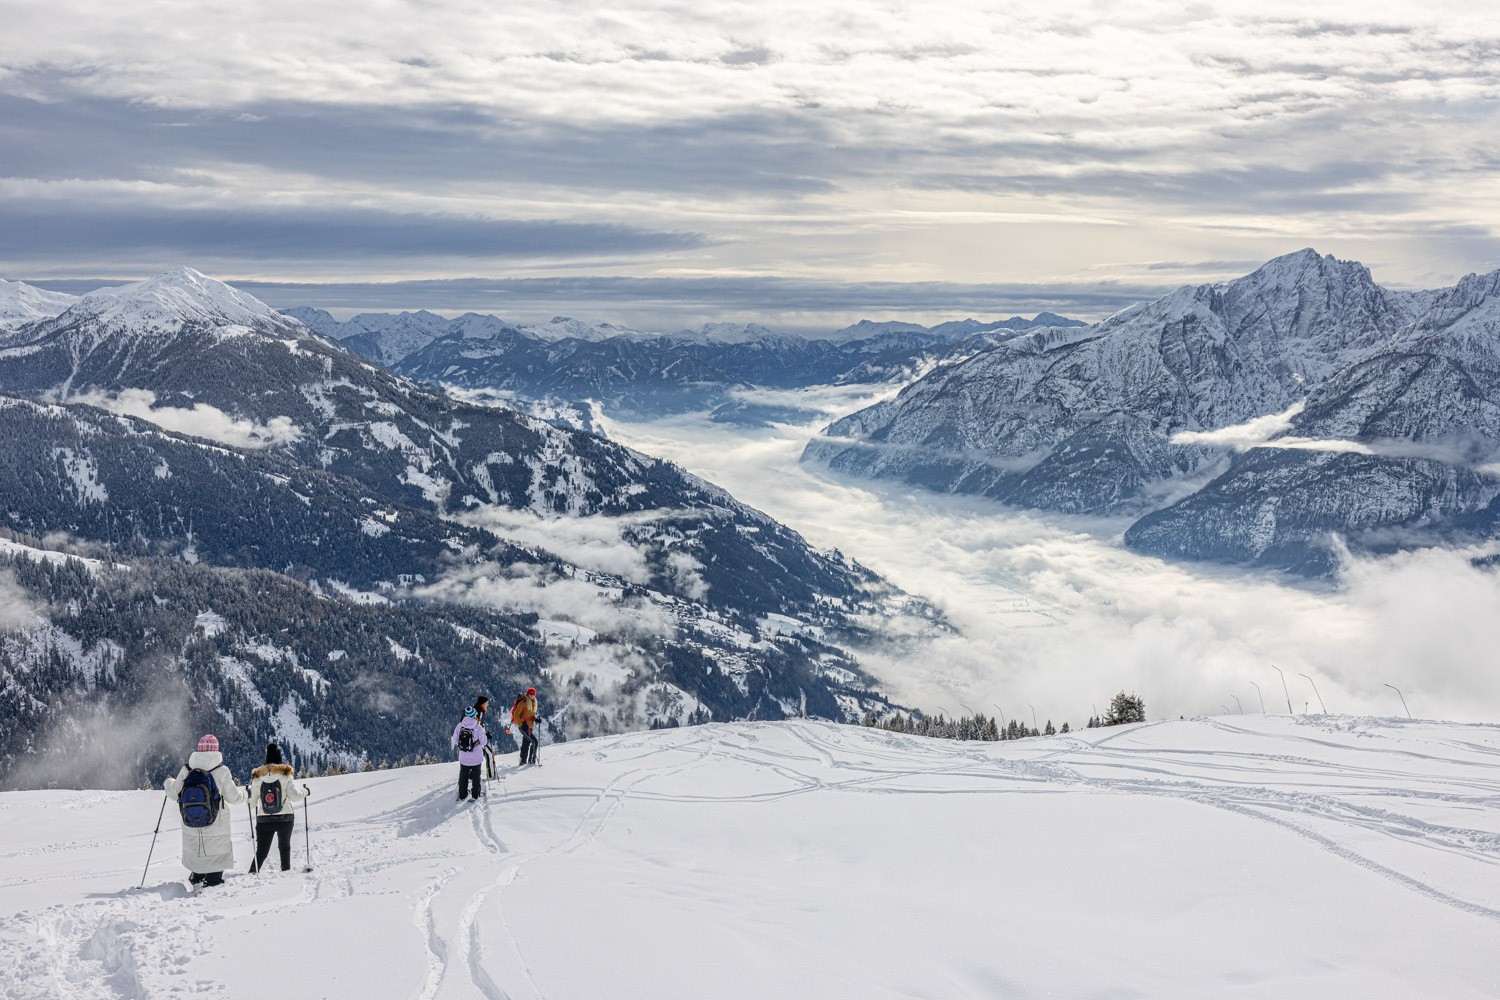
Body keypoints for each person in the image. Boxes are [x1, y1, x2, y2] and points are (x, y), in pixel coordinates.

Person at [163, 734, 246, 887]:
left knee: (197, 854)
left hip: (191, 822)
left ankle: (196, 880)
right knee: (216, 857)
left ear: (199, 749)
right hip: (216, 823)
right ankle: (212, 889)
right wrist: (246, 794)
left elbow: (173, 794)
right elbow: (233, 798)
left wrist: (169, 782)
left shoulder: (187, 769)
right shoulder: (222, 771)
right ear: (216, 750)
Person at [249, 742, 308, 873]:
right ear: (279, 759)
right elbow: (294, 797)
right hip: (285, 818)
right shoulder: (286, 775)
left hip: (264, 819)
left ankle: (252, 873)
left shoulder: (257, 777)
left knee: (262, 850)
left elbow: (252, 803)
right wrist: (305, 791)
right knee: (284, 848)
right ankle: (285, 873)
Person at [452, 706, 488, 801]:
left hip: (463, 758)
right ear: (474, 715)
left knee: (463, 776)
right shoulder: (478, 727)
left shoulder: (460, 726)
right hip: (476, 758)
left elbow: (455, 740)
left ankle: (462, 795)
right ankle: (475, 795)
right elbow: (484, 742)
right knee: (476, 776)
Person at [512, 687, 540, 767]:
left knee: (526, 743)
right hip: (524, 727)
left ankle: (522, 761)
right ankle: (531, 761)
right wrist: (521, 724)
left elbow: (531, 715)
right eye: (531, 694)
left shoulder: (533, 702)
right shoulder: (523, 702)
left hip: (529, 727)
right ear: (527, 694)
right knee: (534, 742)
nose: (532, 695)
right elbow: (516, 714)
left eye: (533, 694)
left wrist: (536, 719)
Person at [474, 695, 496, 779]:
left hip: (474, 739)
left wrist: (485, 733)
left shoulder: (476, 710)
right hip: (479, 740)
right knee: (490, 754)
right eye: (487, 703)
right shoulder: (479, 712)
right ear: (482, 704)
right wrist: (485, 735)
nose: (488, 705)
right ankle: (491, 776)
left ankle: (471, 775)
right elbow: (477, 727)